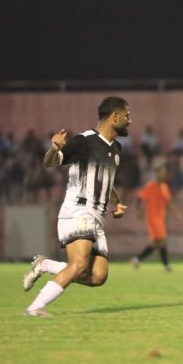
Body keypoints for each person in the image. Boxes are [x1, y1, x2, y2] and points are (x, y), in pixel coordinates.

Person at [21, 96, 131, 317]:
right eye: (127, 116)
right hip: (78, 211)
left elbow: (104, 181)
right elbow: (50, 163)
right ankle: (34, 308)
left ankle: (45, 265)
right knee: (79, 264)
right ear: (114, 117)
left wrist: (117, 202)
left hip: (97, 217)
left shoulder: (116, 148)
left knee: (98, 276)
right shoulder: (84, 141)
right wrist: (53, 149)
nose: (130, 120)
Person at [130, 165, 182, 272]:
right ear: (156, 174)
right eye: (159, 172)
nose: (161, 174)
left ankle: (137, 259)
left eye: (163, 172)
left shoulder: (164, 186)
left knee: (155, 244)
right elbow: (139, 199)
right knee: (161, 241)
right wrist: (138, 211)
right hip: (152, 218)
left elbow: (168, 202)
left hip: (161, 218)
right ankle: (166, 266)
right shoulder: (150, 186)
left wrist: (175, 212)